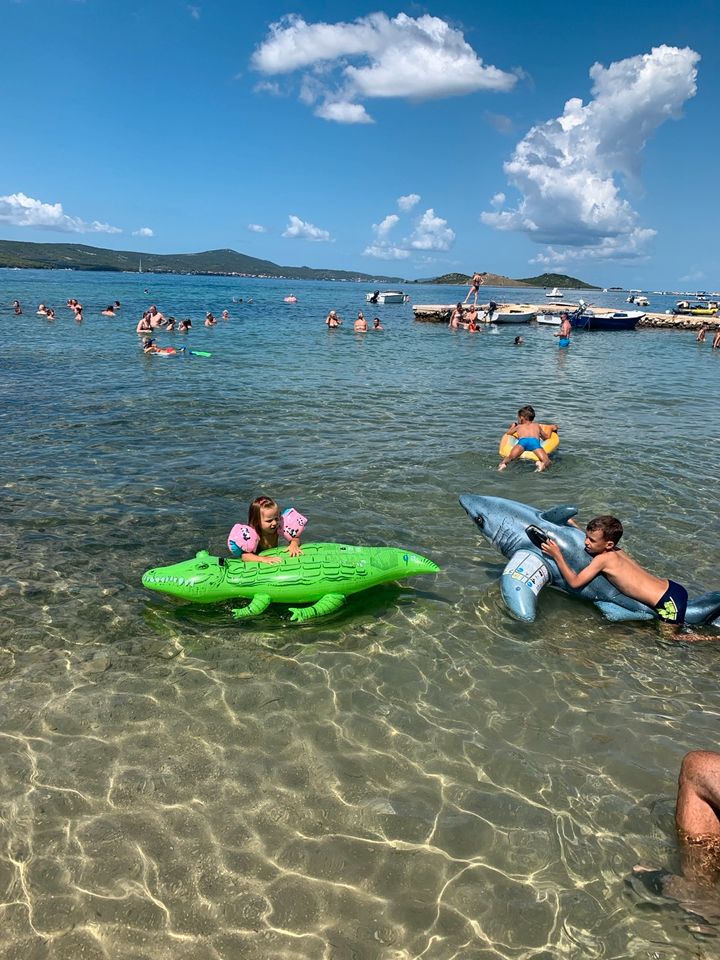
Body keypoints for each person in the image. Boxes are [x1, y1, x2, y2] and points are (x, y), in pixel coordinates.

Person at [540, 515, 707, 638]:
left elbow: (574, 583)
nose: (586, 543)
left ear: (609, 544)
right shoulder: (616, 551)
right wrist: (574, 527)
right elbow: (597, 542)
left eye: (590, 540)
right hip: (673, 588)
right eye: (586, 537)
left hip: (668, 603)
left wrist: (557, 555)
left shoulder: (602, 559)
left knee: (669, 639)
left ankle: (711, 640)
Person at [236, 496, 303, 564]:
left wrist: (293, 544)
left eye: (276, 519)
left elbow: (295, 538)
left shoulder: (278, 528)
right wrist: (263, 559)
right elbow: (244, 556)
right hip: (257, 559)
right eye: (269, 521)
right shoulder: (254, 535)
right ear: (256, 522)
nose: (274, 523)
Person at [498, 404, 557, 473]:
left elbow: (509, 433)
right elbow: (546, 437)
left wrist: (513, 426)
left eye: (518, 417)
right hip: (534, 443)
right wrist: (551, 429)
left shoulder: (519, 427)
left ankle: (503, 465)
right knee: (546, 460)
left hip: (522, 442)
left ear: (522, 418)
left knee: (510, 457)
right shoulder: (537, 426)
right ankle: (541, 465)